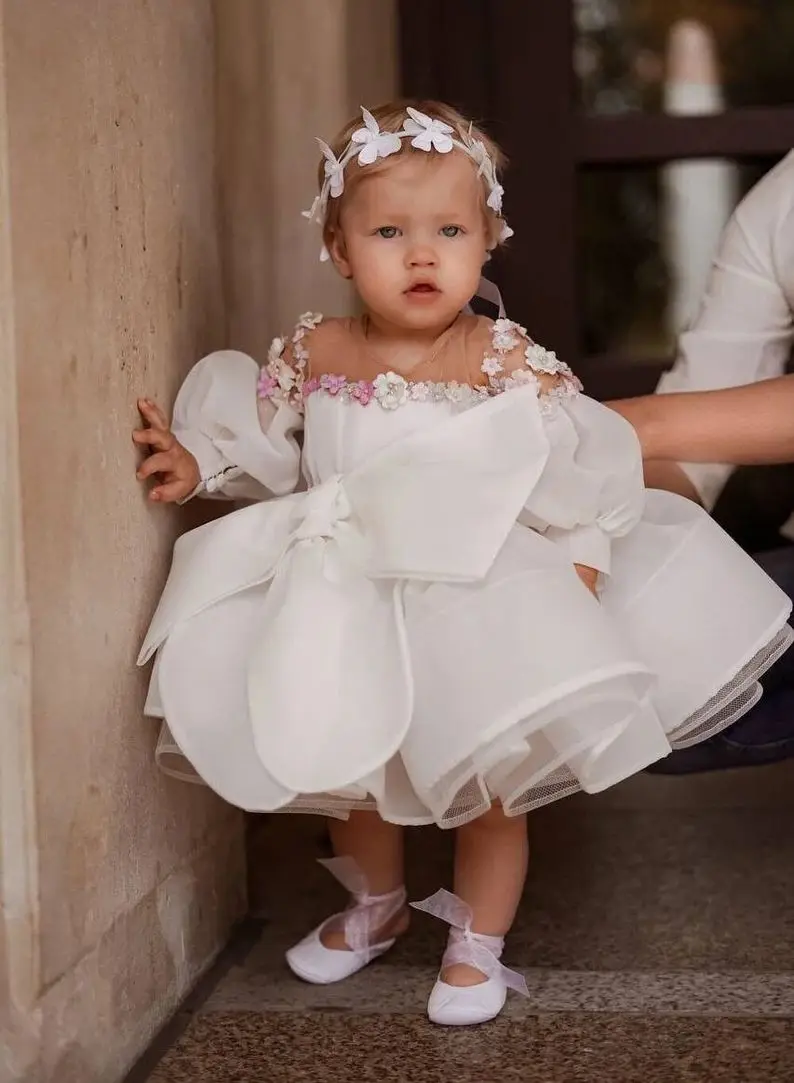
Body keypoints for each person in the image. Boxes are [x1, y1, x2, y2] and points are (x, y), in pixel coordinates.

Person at [132, 101, 791, 1026]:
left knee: (489, 787)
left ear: (488, 241)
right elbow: (274, 445)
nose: (421, 255)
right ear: (337, 244)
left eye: (450, 231)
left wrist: (582, 564)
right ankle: (375, 904)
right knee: (349, 761)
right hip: (347, 593)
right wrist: (203, 462)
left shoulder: (500, 359)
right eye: (390, 232)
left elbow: (583, 466)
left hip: (474, 595)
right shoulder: (315, 350)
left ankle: (478, 943)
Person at [610, 150, 794, 774]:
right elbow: (686, 448)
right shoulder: (781, 201)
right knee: (634, 682)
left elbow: (659, 427)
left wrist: (613, 428)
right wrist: (610, 547)